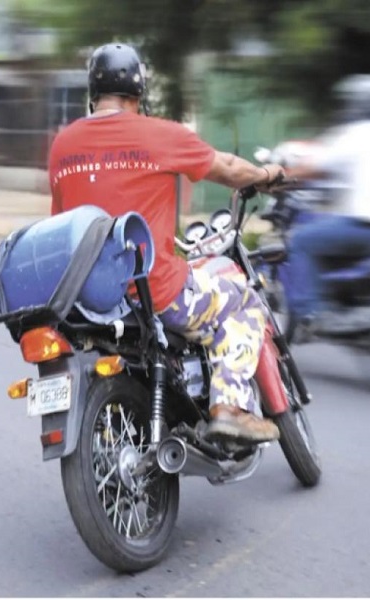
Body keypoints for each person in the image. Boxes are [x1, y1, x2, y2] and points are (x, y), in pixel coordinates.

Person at [48, 42, 285, 444]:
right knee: (243, 301)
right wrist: (265, 175)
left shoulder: (62, 146)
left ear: (93, 92)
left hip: (85, 298)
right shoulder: (162, 134)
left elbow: (60, 222)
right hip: (154, 293)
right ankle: (230, 408)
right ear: (138, 91)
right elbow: (228, 168)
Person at [282, 74, 370, 333]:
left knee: (301, 240)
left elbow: (315, 168)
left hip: (364, 227)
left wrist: (279, 176)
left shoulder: (357, 134)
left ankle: (314, 314)